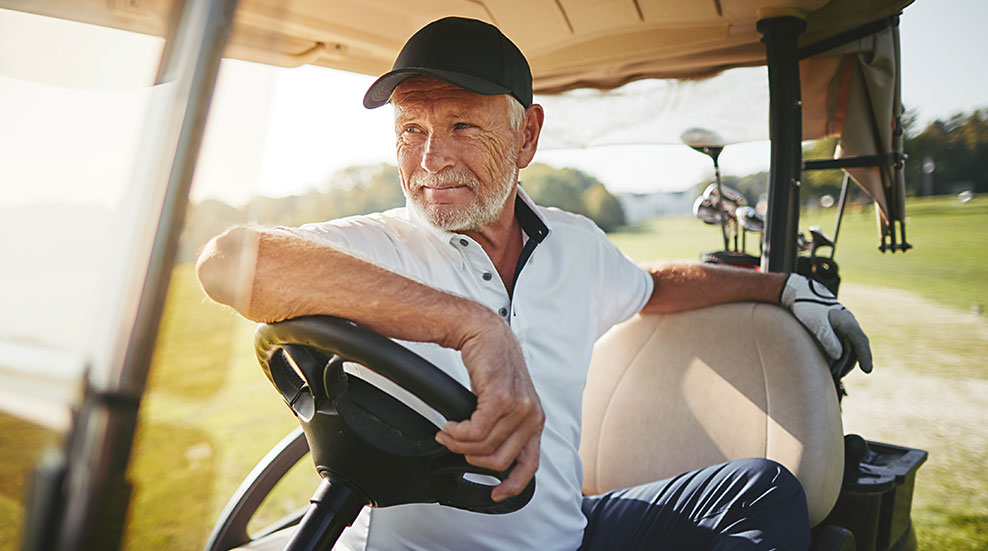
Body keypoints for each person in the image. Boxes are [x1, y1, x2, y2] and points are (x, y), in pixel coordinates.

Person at [196, 16, 872, 551]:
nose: (431, 159)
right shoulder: (379, 250)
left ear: (527, 135)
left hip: (569, 534)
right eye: (411, 129)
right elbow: (228, 262)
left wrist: (782, 287)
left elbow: (652, 285)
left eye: (461, 125)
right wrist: (470, 324)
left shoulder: (575, 243)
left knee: (762, 490)